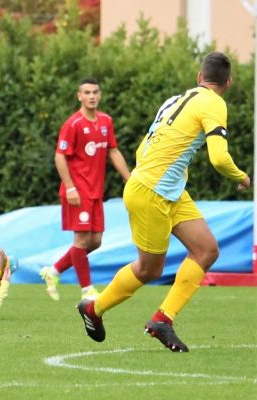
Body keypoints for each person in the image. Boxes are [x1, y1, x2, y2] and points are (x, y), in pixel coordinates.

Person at [76, 52, 250, 352]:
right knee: (149, 270)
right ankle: (93, 308)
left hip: (168, 191)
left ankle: (162, 319)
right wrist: (242, 176)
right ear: (229, 82)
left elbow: (144, 148)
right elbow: (219, 157)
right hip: (151, 193)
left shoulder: (174, 100)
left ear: (199, 77)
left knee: (206, 250)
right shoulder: (214, 103)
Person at [40, 78, 130, 301]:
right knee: (81, 242)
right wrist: (70, 188)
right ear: (79, 96)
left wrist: (129, 179)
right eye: (87, 92)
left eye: (95, 92)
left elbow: (113, 151)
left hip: (96, 192)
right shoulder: (73, 124)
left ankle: (53, 271)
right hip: (78, 193)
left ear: (99, 95)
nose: (91, 96)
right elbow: (60, 155)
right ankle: (87, 290)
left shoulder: (106, 121)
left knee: (95, 241)